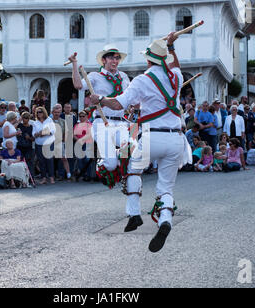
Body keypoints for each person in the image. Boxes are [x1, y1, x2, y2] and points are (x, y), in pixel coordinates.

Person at [89, 34, 192, 252]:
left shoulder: (142, 80)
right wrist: (171, 46)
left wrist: (100, 99)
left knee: (133, 169)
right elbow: (176, 65)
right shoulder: (176, 76)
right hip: (176, 139)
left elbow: (117, 105)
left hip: (152, 137)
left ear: (148, 60)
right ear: (165, 57)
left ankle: (134, 214)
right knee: (166, 187)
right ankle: (165, 219)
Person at [68, 44, 130, 188]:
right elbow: (78, 85)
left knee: (129, 153)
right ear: (103, 60)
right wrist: (74, 64)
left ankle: (128, 182)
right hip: (102, 122)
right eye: (111, 58)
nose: (114, 61)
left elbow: (131, 96)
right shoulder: (95, 76)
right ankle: (102, 165)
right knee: (111, 164)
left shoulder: (124, 76)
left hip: (121, 123)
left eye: (117, 58)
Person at [33, 106, 56, 185]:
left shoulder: (49, 120)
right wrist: (40, 133)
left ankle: (51, 178)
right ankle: (44, 178)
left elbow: (53, 131)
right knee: (41, 161)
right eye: (37, 112)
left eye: (40, 112)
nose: (39, 113)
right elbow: (34, 134)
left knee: (49, 160)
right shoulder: (35, 122)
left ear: (44, 112)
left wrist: (42, 133)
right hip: (39, 144)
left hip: (48, 144)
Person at [51, 104, 72, 181]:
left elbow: (66, 132)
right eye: (55, 112)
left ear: (60, 113)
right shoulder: (49, 121)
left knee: (63, 158)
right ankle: (51, 175)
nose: (56, 114)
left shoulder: (63, 121)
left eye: (58, 112)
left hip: (60, 142)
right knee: (51, 159)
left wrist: (64, 139)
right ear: (52, 112)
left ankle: (68, 174)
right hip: (51, 143)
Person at [17, 111, 35, 176]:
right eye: (24, 118)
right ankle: (21, 177)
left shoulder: (31, 127)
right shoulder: (19, 125)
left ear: (29, 118)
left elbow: (34, 139)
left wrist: (29, 138)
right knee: (20, 163)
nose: (25, 119)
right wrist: (19, 120)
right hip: (20, 146)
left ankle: (31, 177)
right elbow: (13, 128)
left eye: (27, 118)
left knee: (29, 163)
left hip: (28, 147)